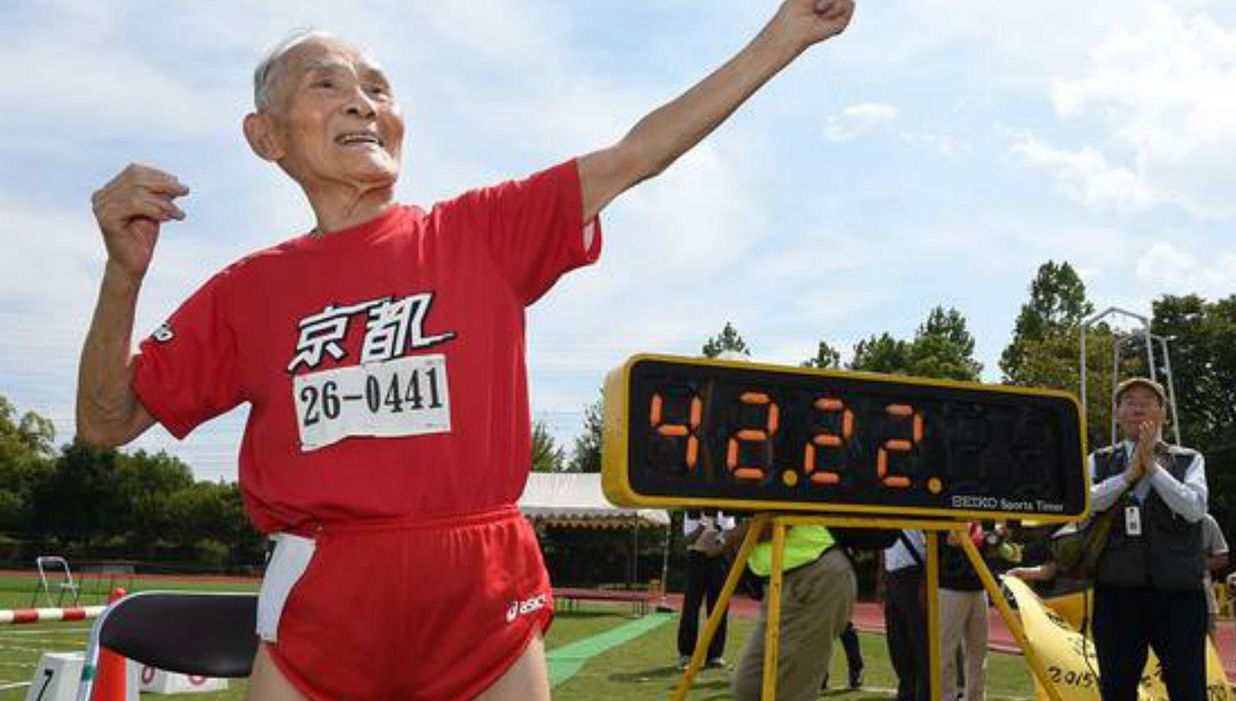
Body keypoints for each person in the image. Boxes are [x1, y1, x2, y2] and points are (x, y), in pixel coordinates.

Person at [74, 3, 857, 700]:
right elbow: (107, 421)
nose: (361, 102)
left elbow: (637, 152)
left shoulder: (477, 233)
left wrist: (783, 33)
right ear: (265, 135)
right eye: (327, 84)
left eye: (378, 88)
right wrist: (123, 275)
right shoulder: (247, 292)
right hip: (324, 599)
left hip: (484, 591)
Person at [1089, 377, 1208, 701]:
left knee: (1188, 688)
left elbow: (1194, 508)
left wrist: (1152, 467)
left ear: (1163, 415)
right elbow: (1087, 503)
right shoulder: (1099, 460)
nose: (1138, 407)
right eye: (1129, 401)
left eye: (1147, 401)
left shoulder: (1188, 459)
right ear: (1117, 415)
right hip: (1117, 592)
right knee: (1116, 688)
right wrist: (1128, 476)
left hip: (1178, 594)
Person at [725, 523, 856, 701]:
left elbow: (775, 519)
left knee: (789, 690)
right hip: (782, 583)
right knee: (750, 685)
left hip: (812, 577)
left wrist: (723, 538)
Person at [678, 509, 736, 670]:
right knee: (691, 607)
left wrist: (716, 526)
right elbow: (687, 541)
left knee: (719, 607)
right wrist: (702, 525)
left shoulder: (726, 511)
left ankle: (715, 655)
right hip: (696, 557)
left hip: (719, 559)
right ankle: (686, 654)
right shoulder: (693, 511)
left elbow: (729, 537)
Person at [936, 523, 988, 701]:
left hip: (979, 586)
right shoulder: (946, 513)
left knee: (978, 652)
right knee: (945, 651)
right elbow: (952, 540)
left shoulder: (981, 518)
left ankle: (976, 697)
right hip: (951, 587)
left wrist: (995, 538)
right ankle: (945, 697)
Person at [883, 529, 928, 701]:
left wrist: (925, 580)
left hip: (914, 573)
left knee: (921, 642)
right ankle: (907, 692)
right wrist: (882, 579)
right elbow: (884, 548)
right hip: (893, 575)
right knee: (897, 642)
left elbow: (931, 543)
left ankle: (925, 693)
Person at [1202, 514, 1230, 633]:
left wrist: (1191, 563)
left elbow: (1223, 558)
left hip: (1204, 601)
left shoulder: (1206, 521)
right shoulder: (1157, 516)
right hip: (1162, 600)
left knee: (1207, 650)